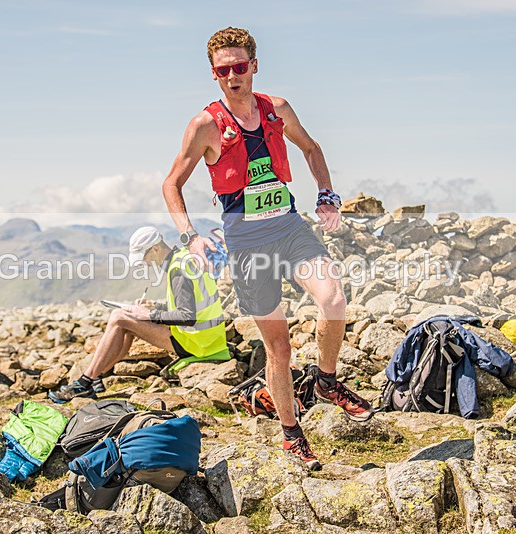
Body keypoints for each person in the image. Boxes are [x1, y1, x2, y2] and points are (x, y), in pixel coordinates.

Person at [161, 27, 372, 470]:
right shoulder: (205, 125)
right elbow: (171, 184)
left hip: (289, 227)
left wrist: (326, 193)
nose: (232, 76)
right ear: (213, 74)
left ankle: (326, 381)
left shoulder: (277, 109)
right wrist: (190, 236)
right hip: (247, 243)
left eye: (239, 67)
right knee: (279, 348)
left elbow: (311, 148)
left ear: (254, 66)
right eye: (223, 70)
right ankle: (292, 434)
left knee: (333, 299)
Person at [49, 226, 230, 403]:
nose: (144, 263)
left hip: (197, 343)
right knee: (125, 323)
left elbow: (187, 317)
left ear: (155, 249)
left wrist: (149, 314)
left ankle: (84, 383)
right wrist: (154, 306)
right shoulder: (184, 258)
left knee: (119, 318)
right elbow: (189, 304)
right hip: (208, 338)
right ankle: (95, 377)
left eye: (144, 257)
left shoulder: (178, 270)